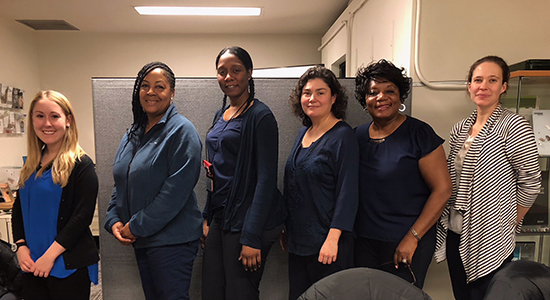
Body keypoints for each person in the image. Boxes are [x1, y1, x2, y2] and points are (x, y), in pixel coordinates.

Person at [434, 55, 541, 300]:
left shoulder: (514, 125)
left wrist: (511, 219)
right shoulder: (461, 128)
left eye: (492, 80)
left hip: (490, 233)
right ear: (469, 85)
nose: (483, 86)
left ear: (503, 86)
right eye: (478, 80)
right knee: (462, 295)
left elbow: (531, 181)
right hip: (456, 231)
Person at [104, 62, 203, 300]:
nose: (151, 92)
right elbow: (122, 179)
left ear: (172, 93)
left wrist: (135, 226)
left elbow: (174, 194)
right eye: (145, 86)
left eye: (160, 87)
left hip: (173, 242)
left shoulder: (182, 131)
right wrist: (113, 219)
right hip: (143, 239)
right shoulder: (133, 134)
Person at [354, 59, 452, 288]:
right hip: (364, 243)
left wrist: (412, 237)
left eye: (390, 91)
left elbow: (443, 189)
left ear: (400, 96)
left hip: (406, 242)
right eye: (373, 92)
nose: (381, 97)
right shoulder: (356, 137)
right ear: (364, 99)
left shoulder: (419, 134)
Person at [201, 46, 285, 300]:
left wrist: (251, 237)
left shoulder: (261, 116)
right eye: (222, 72)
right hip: (222, 216)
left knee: (240, 292)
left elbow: (266, 180)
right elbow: (213, 169)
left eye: (236, 70)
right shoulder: (221, 114)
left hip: (249, 218)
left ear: (249, 73)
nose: (229, 77)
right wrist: (207, 215)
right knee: (212, 290)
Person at [11, 90, 99, 300]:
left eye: (54, 116)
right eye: (40, 116)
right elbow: (19, 210)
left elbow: (81, 217)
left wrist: (49, 257)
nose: (47, 123)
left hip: (66, 264)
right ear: (32, 120)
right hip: (32, 263)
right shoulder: (31, 165)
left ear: (68, 120)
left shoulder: (81, 165)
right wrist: (21, 246)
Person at [282, 66, 358, 300]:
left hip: (328, 245)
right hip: (298, 243)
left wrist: (332, 239)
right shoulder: (303, 133)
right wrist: (286, 227)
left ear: (334, 97)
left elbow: (349, 191)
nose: (312, 98)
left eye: (320, 92)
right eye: (307, 93)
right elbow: (294, 183)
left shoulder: (342, 136)